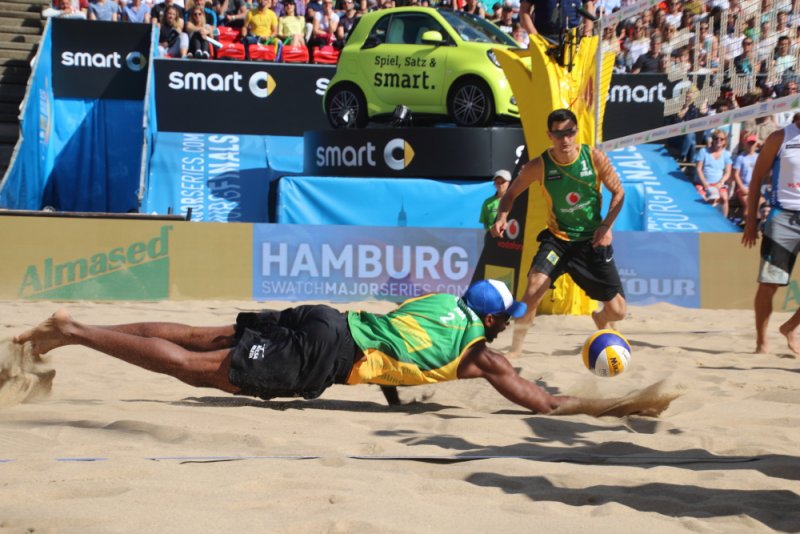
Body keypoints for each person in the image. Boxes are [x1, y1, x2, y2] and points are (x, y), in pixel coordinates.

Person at [11, 280, 670, 417]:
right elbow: (539, 403)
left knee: (197, 333)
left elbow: (397, 346)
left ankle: (70, 332)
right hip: (327, 354)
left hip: (327, 314)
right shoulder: (480, 355)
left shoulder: (439, 304)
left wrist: (395, 401)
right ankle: (70, 332)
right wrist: (611, 407)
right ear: (493, 324)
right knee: (198, 371)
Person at [490, 108, 627, 358]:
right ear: (549, 135)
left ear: (576, 131)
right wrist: (502, 216)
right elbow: (510, 194)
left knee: (618, 311)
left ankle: (600, 317)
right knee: (533, 288)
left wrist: (606, 226)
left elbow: (619, 193)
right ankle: (516, 349)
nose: (565, 139)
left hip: (590, 241)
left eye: (569, 132)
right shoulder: (539, 166)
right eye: (558, 134)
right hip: (558, 239)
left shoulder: (594, 158)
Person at [742, 112, 800, 357]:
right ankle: (761, 343)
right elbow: (756, 179)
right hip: (783, 216)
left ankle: (790, 326)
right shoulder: (781, 136)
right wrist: (751, 221)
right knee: (769, 284)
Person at [694, 129, 733, 217]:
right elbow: (699, 169)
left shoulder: (726, 154)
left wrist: (720, 183)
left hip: (718, 184)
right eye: (716, 138)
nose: (718, 140)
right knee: (703, 198)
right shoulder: (703, 152)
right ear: (713, 139)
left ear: (725, 141)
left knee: (725, 198)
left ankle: (724, 221)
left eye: (721, 139)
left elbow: (728, 172)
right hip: (703, 183)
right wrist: (705, 185)